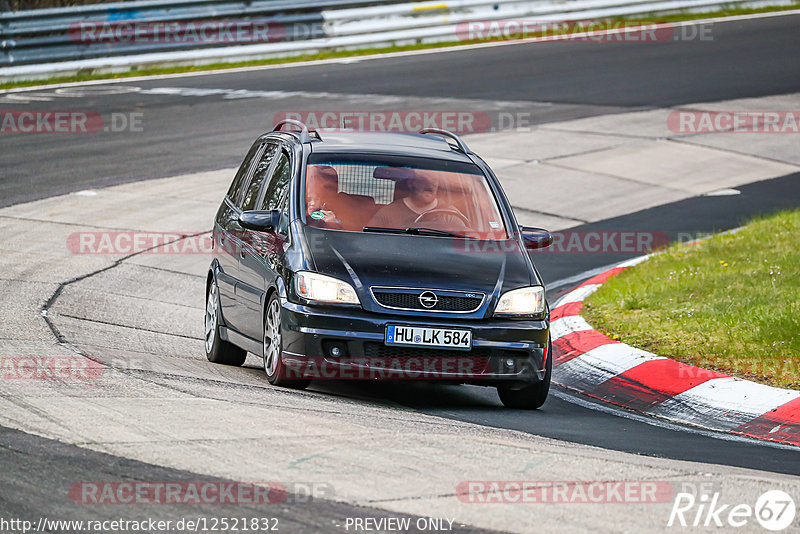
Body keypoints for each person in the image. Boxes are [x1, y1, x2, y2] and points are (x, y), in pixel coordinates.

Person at [367, 170, 466, 230]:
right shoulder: (387, 214)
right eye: (425, 180)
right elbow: (369, 242)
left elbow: (465, 244)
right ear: (411, 184)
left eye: (434, 181)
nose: (430, 185)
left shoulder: (450, 215)